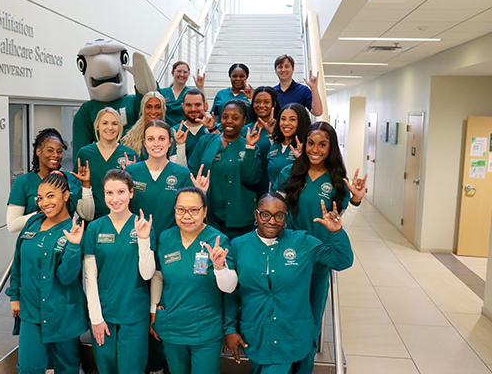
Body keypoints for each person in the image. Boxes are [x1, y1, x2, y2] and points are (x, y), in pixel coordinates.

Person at [223, 192, 353, 373]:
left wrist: (336, 232)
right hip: (255, 333)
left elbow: (342, 261)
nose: (272, 220)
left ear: (286, 217)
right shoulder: (238, 246)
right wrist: (230, 328)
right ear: (256, 215)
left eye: (279, 215)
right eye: (265, 214)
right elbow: (232, 292)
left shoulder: (302, 242)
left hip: (291, 332)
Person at [278, 121, 366, 374]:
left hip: (318, 256)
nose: (315, 149)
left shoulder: (338, 180)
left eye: (323, 144)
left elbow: (342, 224)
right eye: (311, 143)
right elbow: (276, 213)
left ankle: (303, 369)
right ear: (304, 144)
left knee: (311, 318)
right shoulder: (289, 173)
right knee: (285, 313)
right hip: (288, 255)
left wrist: (357, 201)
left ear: (331, 147)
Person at [6, 172, 90, 373]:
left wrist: (72, 247)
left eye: (51, 196)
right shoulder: (32, 224)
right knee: (28, 368)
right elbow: (18, 261)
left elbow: (67, 277)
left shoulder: (74, 231)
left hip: (63, 313)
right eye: (40, 198)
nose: (44, 203)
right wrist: (14, 296)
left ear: (66, 195)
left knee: (66, 368)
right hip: (31, 311)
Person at [150, 187, 237, 374]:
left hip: (204, 329)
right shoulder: (166, 238)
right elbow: (158, 275)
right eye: (180, 209)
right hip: (172, 325)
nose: (186, 215)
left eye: (194, 210)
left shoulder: (217, 240)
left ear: (205, 211)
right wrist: (154, 310)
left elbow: (230, 287)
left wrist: (220, 267)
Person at [82, 169, 155, 374]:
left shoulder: (143, 227)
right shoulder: (95, 228)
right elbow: (90, 277)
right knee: (106, 367)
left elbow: (148, 274)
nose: (115, 199)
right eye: (109, 193)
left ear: (131, 193)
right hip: (104, 312)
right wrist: (95, 318)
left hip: (134, 312)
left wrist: (143, 239)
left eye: (121, 192)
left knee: (132, 368)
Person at [189, 99, 262, 240]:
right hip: (209, 217)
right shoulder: (206, 141)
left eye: (235, 118)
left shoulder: (249, 146)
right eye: (225, 117)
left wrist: (250, 148)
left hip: (240, 219)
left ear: (244, 121)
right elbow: (193, 170)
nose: (229, 121)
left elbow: (251, 178)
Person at [125, 120, 207, 237]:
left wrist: (201, 194)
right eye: (151, 139)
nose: (156, 144)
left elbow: (192, 212)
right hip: (136, 238)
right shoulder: (131, 171)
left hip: (170, 242)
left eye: (162, 139)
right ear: (144, 143)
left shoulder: (182, 173)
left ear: (170, 142)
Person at [7, 128, 94, 233]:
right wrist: (44, 211)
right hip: (35, 241)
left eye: (59, 151)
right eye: (50, 150)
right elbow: (12, 225)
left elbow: (87, 215)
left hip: (66, 239)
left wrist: (86, 186)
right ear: (38, 151)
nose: (55, 155)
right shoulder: (23, 182)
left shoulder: (70, 179)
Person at [75, 108, 139, 220]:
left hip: (122, 217)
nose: (110, 127)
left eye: (114, 123)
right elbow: (77, 187)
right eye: (105, 123)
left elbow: (136, 189)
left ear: (119, 127)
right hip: (92, 219)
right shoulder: (85, 153)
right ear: (98, 126)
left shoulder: (129, 154)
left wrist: (131, 174)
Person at [241, 86, 281, 196]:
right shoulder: (246, 130)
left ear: (274, 104)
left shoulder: (282, 128)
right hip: (249, 189)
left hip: (274, 188)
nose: (261, 105)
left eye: (266, 102)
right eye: (257, 102)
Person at [266, 103, 311, 187]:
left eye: (292, 119)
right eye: (283, 119)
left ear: (301, 122)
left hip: (295, 197)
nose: (286, 123)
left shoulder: (305, 148)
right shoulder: (274, 147)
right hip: (275, 197)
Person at [170, 88, 220, 161]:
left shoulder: (217, 128)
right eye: (189, 105)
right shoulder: (174, 132)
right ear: (183, 107)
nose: (193, 109)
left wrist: (212, 129)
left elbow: (223, 153)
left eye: (197, 105)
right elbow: (175, 165)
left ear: (205, 105)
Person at [159, 61, 205, 127]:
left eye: (185, 72)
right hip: (165, 130)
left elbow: (204, 108)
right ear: (172, 73)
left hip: (186, 130)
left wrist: (200, 87)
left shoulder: (191, 93)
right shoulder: (162, 92)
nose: (182, 74)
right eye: (179, 71)